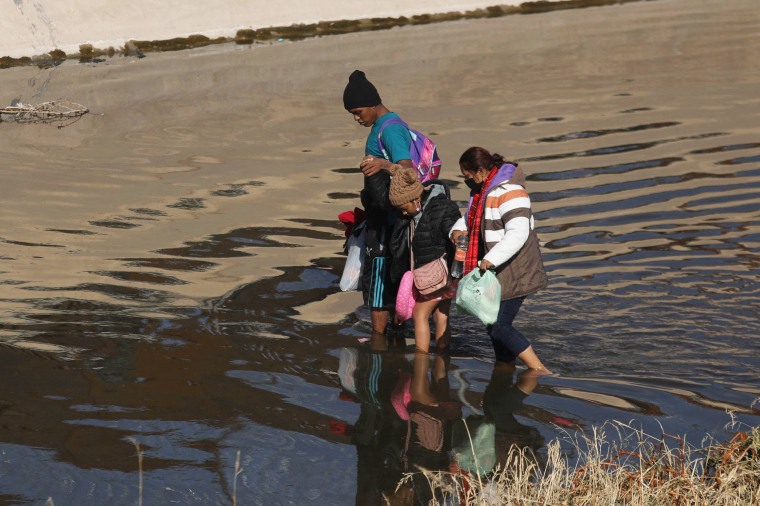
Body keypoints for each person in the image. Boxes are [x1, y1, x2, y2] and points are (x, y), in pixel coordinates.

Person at [450, 147, 551, 373]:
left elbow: (518, 232)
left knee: (499, 327)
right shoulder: (481, 192)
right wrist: (456, 231)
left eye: (468, 177)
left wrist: (491, 259)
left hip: (514, 270)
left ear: (481, 171)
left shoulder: (511, 192)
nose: (467, 182)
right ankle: (505, 365)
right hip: (496, 270)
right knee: (491, 323)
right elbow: (469, 219)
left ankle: (539, 369)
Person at [343, 69, 415, 334]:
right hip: (382, 217)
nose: (356, 118)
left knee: (379, 277)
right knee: (385, 277)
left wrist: (383, 164)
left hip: (388, 222)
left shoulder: (391, 129)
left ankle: (378, 343)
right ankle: (389, 337)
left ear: (373, 104)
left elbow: (408, 172)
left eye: (358, 111)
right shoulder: (382, 127)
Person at [387, 166, 461, 353]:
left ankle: (421, 361)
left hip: (441, 276)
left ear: (415, 198)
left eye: (404, 208)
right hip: (446, 276)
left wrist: (457, 236)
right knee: (440, 315)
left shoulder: (442, 207)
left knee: (420, 314)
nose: (403, 213)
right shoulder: (415, 213)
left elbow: (453, 228)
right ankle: (442, 361)